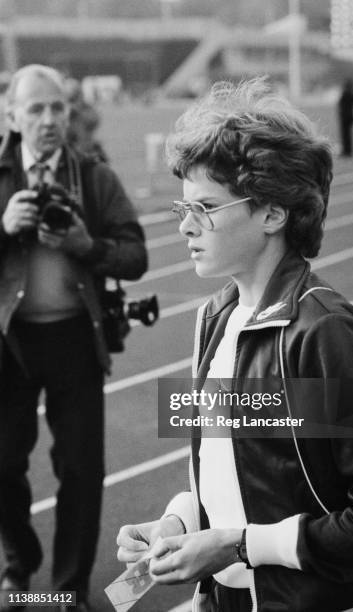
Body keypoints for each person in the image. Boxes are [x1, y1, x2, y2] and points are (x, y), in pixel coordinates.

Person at [116, 80, 353, 612]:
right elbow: (224, 473)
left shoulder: (324, 333)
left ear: (273, 214)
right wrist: (177, 520)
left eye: (205, 207)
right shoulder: (213, 317)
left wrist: (239, 546)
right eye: (182, 208)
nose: (185, 226)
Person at [0, 64, 147, 612]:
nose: (48, 119)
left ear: (70, 113)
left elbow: (135, 255)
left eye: (57, 107)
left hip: (75, 341)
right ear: (12, 117)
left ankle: (69, 588)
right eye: (34, 109)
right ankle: (19, 565)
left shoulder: (93, 176)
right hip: (8, 345)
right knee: (2, 464)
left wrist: (87, 244)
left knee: (82, 470)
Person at [338, 78, 353, 157]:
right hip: (349, 117)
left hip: (345, 117)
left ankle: (346, 151)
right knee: (348, 135)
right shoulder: (352, 93)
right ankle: (348, 150)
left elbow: (343, 106)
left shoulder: (346, 94)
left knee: (345, 135)